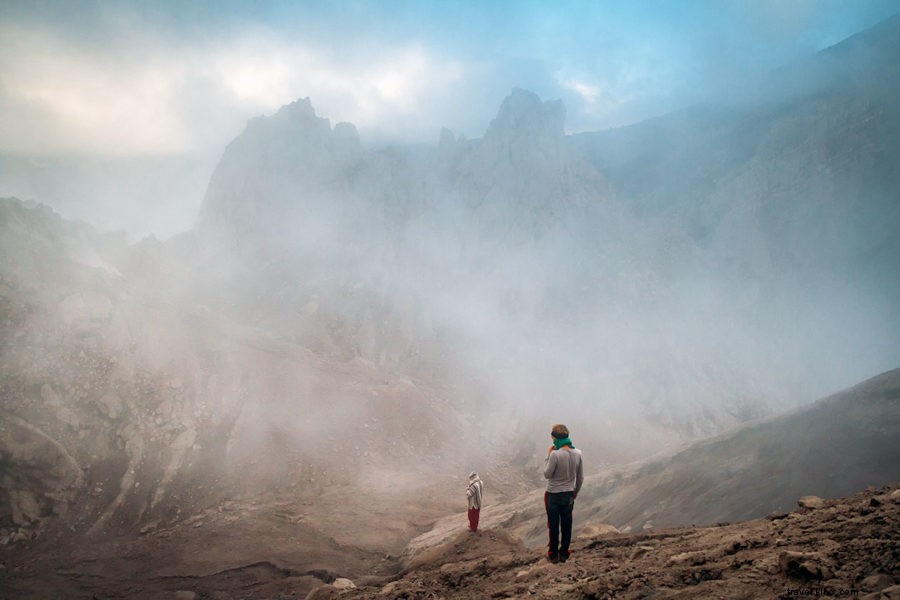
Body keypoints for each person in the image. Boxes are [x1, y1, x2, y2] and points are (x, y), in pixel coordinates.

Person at [543, 423, 583, 563]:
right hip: (568, 494)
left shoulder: (555, 454)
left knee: (553, 525)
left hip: (553, 494)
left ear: (555, 438)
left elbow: (547, 474)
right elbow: (580, 477)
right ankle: (564, 553)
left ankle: (553, 554)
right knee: (567, 524)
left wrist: (548, 456)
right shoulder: (578, 453)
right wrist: (575, 493)